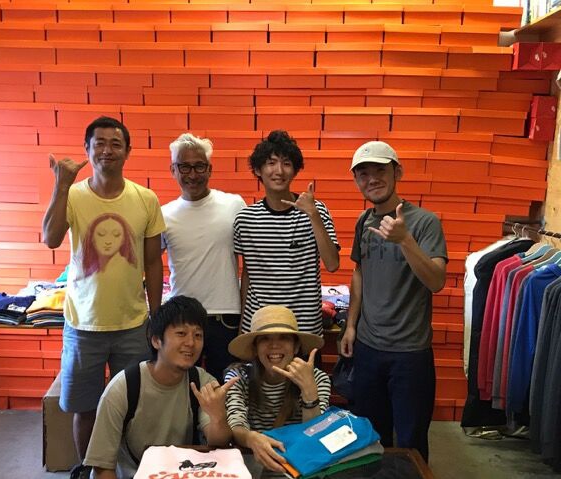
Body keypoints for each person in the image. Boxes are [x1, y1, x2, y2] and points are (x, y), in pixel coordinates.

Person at [42, 116, 166, 478]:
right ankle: (90, 470)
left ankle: (128, 470)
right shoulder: (73, 195)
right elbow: (50, 238)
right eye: (99, 143)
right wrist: (61, 184)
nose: (107, 150)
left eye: (115, 143)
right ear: (87, 149)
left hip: (133, 324)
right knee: (85, 408)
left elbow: (153, 263)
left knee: (133, 406)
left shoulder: (145, 199)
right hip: (83, 325)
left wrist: (155, 316)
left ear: (128, 151)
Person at [339, 140, 448, 462]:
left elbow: (436, 281)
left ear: (397, 172)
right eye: (363, 173)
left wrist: (405, 241)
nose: (372, 179)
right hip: (368, 348)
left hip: (410, 353)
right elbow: (359, 272)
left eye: (380, 170)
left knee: (411, 442)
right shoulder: (364, 221)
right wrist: (351, 326)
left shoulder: (425, 222)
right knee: (372, 438)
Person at [84, 295, 237, 479]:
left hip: (183, 473)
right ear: (156, 340)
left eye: (198, 335)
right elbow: (102, 467)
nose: (191, 343)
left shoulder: (202, 381)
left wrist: (218, 417)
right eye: (181, 333)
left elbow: (218, 444)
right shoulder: (123, 388)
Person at [233, 130, 340, 338]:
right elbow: (247, 274)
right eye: (271, 163)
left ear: (295, 170)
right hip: (260, 325)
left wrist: (313, 215)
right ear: (258, 169)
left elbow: (332, 264)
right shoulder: (245, 219)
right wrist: (242, 325)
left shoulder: (316, 210)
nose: (279, 171)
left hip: (304, 327)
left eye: (287, 163)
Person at [161, 133, 246, 382]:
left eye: (199, 166)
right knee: (183, 388)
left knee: (227, 388)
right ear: (173, 170)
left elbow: (251, 263)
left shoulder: (234, 205)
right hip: (182, 319)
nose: (192, 174)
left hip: (227, 317)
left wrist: (245, 316)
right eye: (184, 167)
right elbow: (149, 262)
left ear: (209, 169)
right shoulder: (164, 214)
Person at [225, 305, 331, 476]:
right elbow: (235, 424)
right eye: (265, 338)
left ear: (296, 347)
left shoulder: (317, 378)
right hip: (253, 466)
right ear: (255, 348)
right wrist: (251, 438)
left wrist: (309, 391)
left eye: (284, 338)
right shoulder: (238, 377)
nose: (274, 345)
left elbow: (316, 436)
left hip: (302, 468)